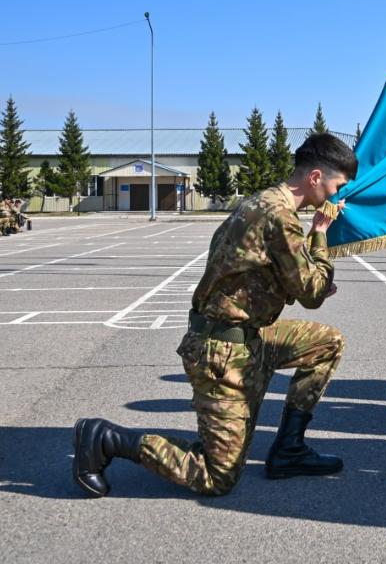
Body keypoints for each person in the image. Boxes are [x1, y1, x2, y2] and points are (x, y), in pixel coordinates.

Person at [73, 133, 357, 497]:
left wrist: (300, 277)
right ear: (316, 177)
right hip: (221, 353)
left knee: (326, 343)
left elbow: (266, 276)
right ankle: (107, 439)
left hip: (249, 336)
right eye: (338, 185)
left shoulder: (260, 202)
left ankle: (289, 450)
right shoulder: (280, 218)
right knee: (217, 476)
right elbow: (313, 293)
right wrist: (319, 236)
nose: (336, 195)